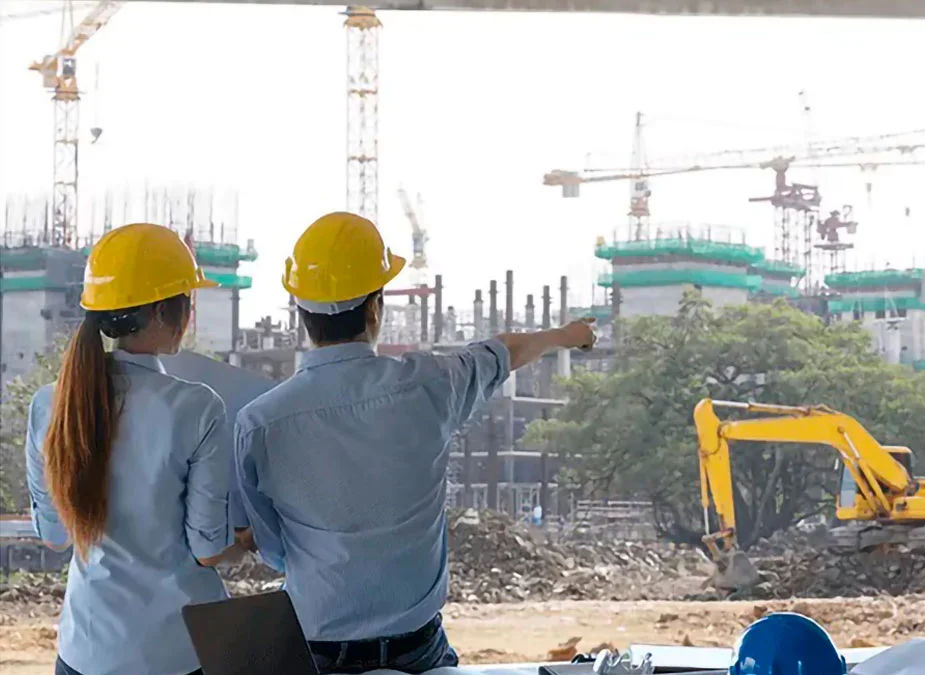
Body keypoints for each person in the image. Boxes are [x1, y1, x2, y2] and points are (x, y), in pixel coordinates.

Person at [235, 211, 595, 675]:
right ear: (375, 306)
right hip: (418, 650)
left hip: (317, 648)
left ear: (301, 312)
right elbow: (505, 351)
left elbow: (273, 547)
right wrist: (569, 335)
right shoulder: (432, 383)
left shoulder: (258, 423)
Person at [25, 223, 246, 675]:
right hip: (180, 653)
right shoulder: (196, 407)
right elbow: (208, 550)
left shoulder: (51, 403)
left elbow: (54, 535)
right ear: (168, 311)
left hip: (88, 651)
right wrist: (250, 538)